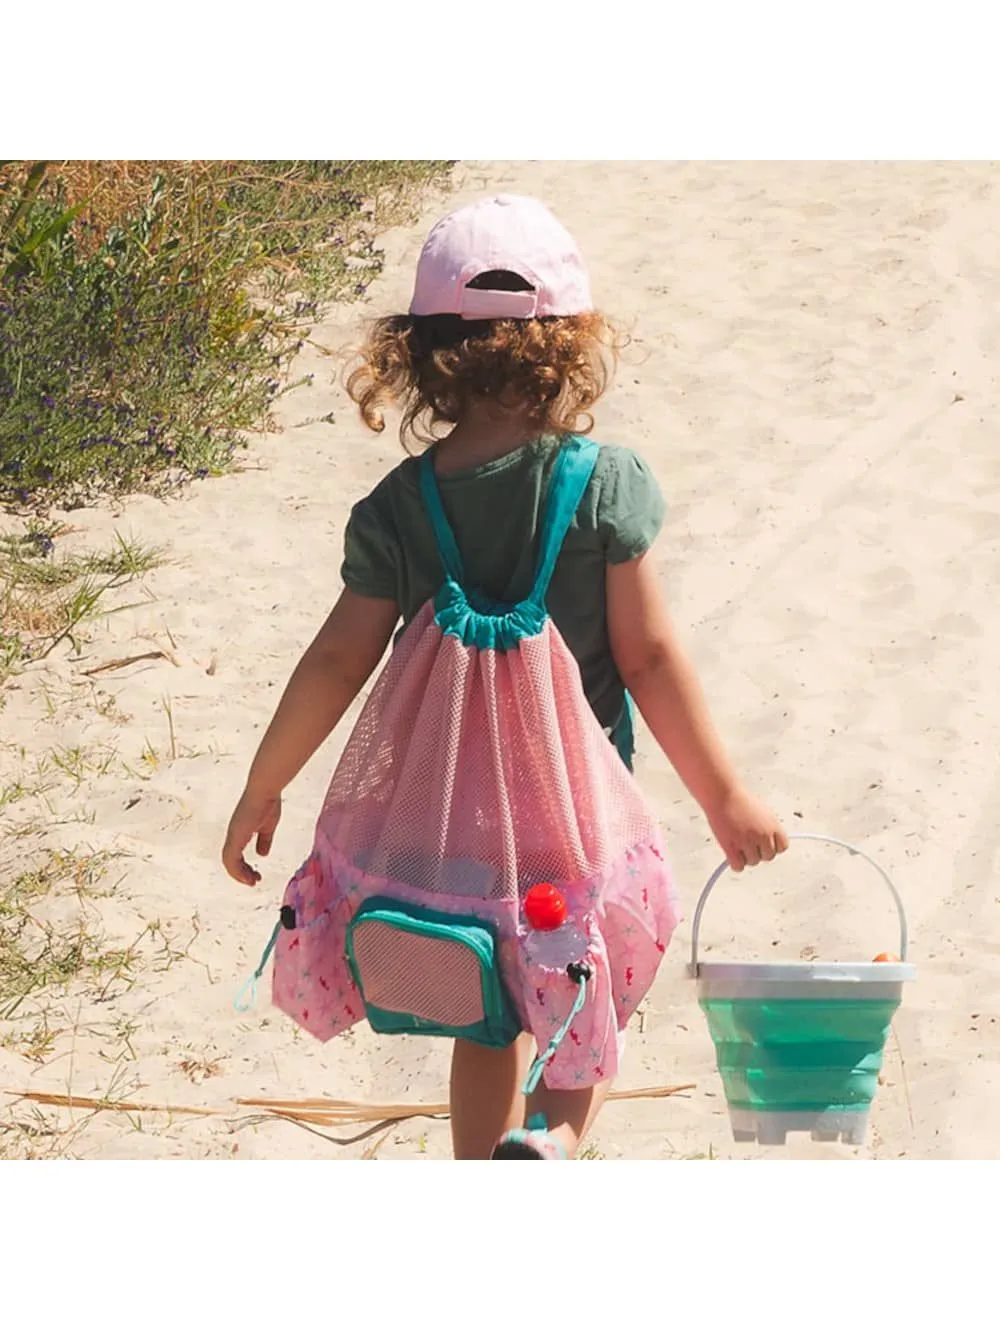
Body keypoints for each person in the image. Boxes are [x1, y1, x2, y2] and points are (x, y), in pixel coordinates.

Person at [223, 193, 788, 1159]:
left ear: (426, 355)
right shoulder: (602, 487)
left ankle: (483, 1173)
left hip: (445, 825)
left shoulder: (400, 506)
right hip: (574, 818)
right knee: (579, 993)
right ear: (568, 349)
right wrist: (726, 797)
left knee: (483, 1010)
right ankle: (554, 1145)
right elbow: (648, 659)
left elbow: (336, 658)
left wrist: (262, 783)